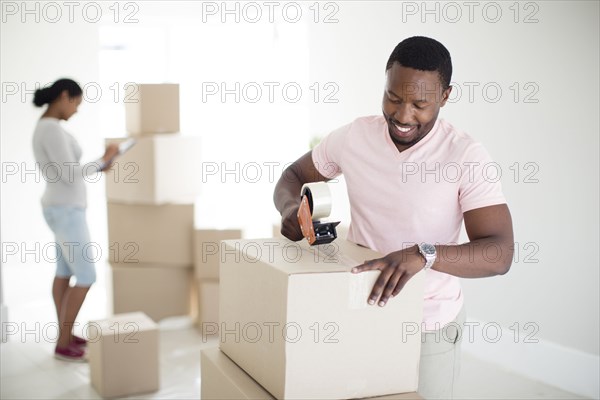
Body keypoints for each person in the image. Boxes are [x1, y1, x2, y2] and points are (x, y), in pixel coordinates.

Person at [274, 36, 514, 399]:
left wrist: (424, 254)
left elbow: (500, 254)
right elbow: (292, 176)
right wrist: (291, 210)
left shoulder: (466, 156)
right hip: (359, 309)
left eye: (420, 104)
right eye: (393, 98)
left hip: (427, 324)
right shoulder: (355, 136)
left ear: (445, 96)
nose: (403, 116)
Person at [32, 78, 119, 362]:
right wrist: (103, 158)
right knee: (86, 275)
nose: (77, 110)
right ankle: (63, 342)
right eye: (76, 103)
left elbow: (67, 171)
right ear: (64, 96)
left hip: (60, 207)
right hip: (66, 210)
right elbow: (70, 174)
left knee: (64, 272)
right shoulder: (52, 130)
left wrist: (100, 165)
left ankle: (65, 334)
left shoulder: (46, 128)